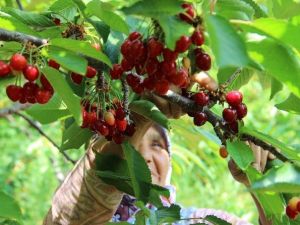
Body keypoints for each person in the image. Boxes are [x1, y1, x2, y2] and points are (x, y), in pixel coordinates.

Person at [43, 73, 274, 225]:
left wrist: (263, 185)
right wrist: (139, 117)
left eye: (156, 144)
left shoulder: (204, 221)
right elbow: (69, 215)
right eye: (133, 148)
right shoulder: (75, 210)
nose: (143, 157)